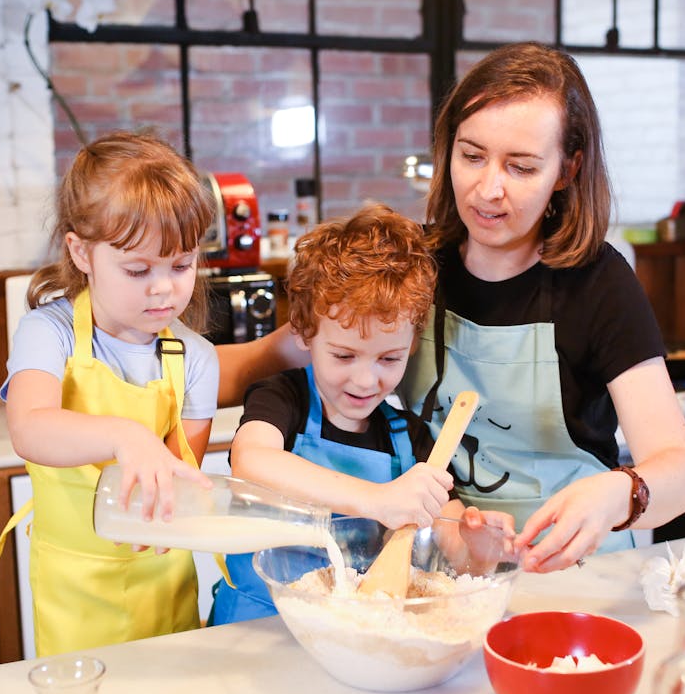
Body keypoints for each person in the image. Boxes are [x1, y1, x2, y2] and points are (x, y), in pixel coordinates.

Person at [218, 42, 685, 573]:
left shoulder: (599, 285)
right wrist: (156, 379)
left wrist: (619, 493)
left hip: (575, 572)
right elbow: (261, 361)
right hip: (452, 573)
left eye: (521, 167)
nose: (488, 189)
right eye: (471, 156)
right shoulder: (410, 267)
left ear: (567, 169)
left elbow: (679, 472)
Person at [213, 205, 509, 624]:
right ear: (303, 332)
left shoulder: (409, 438)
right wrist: (378, 500)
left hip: (357, 629)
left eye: (389, 358)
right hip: (256, 627)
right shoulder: (284, 398)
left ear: (411, 345)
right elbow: (253, 461)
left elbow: (454, 546)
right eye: (344, 355)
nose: (366, 380)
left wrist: (479, 550)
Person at [0, 130, 218, 655]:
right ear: (82, 252)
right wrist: (126, 436)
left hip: (163, 579)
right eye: (138, 269)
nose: (164, 287)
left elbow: (178, 484)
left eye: (182, 265)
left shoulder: (197, 358)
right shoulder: (49, 333)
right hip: (73, 591)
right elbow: (29, 428)